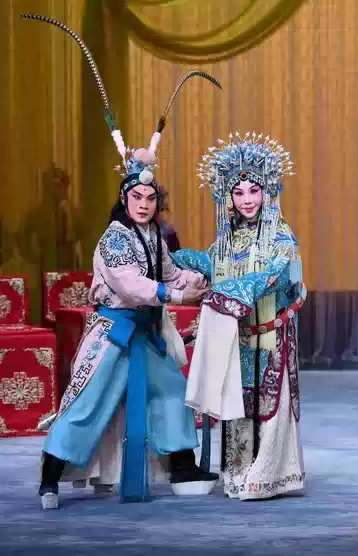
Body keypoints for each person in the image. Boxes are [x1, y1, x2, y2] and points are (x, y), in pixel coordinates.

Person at [27, 13, 220, 510]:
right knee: (87, 400)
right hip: (114, 330)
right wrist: (176, 294)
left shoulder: (156, 235)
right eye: (137, 197)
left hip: (147, 331)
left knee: (170, 390)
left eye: (151, 198)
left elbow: (170, 272)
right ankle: (50, 476)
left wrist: (201, 279)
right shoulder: (115, 238)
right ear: (125, 198)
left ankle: (181, 466)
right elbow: (133, 286)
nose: (144, 204)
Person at [174, 131, 306, 501]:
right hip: (238, 333)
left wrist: (233, 291)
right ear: (227, 196)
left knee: (268, 403)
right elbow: (211, 264)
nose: (247, 200)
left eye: (254, 190)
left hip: (273, 333)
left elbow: (274, 276)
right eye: (238, 192)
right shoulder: (228, 238)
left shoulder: (282, 236)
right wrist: (175, 258)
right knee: (238, 399)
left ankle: (269, 474)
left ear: (267, 191)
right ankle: (237, 471)